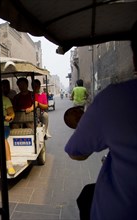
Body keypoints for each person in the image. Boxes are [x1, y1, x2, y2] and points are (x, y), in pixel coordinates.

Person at [64, 21, 137, 220]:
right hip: (86, 105)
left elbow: (75, 152)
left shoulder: (114, 99)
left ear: (135, 57)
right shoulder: (93, 94)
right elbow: (87, 94)